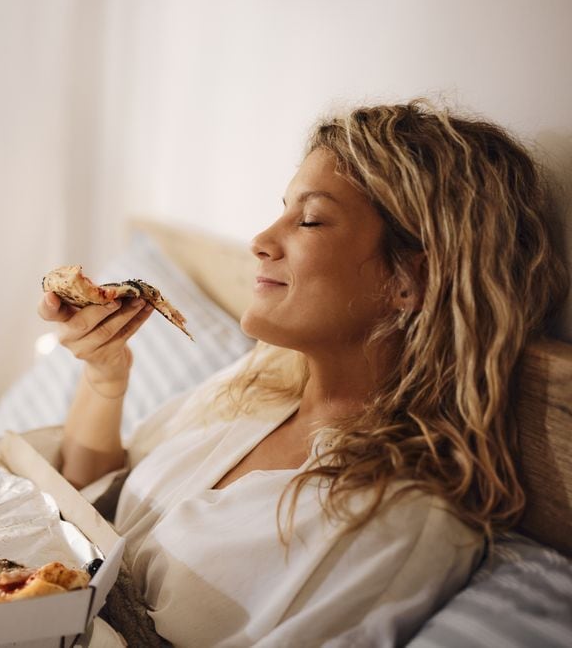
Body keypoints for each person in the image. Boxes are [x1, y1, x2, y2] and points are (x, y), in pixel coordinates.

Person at [38, 101, 569, 647]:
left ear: (411, 278)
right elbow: (85, 499)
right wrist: (106, 378)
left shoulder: (390, 518)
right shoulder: (256, 386)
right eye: (283, 209)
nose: (261, 240)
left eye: (310, 219)